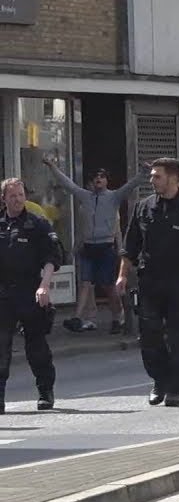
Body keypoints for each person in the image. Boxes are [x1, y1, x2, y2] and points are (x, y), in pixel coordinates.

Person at [117, 158, 179, 407]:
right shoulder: (144, 207)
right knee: (149, 336)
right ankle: (159, 380)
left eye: (156, 176)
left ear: (173, 177)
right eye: (151, 176)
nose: (152, 180)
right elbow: (130, 246)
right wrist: (123, 275)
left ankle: (175, 389)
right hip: (150, 280)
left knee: (178, 337)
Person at [43, 157, 146, 334]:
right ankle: (77, 318)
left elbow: (130, 186)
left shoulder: (113, 197)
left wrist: (144, 172)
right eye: (96, 177)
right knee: (85, 283)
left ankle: (117, 317)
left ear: (107, 180)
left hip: (106, 247)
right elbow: (68, 184)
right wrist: (52, 166)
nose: (99, 179)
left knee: (108, 286)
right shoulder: (86, 197)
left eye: (102, 177)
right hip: (88, 247)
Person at [0, 179, 61, 414]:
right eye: (12, 195)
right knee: (1, 348)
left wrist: (44, 286)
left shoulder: (37, 224)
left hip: (30, 293)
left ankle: (45, 391)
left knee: (36, 348)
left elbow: (51, 258)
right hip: (4, 294)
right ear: (3, 199)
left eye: (21, 194)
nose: (17, 199)